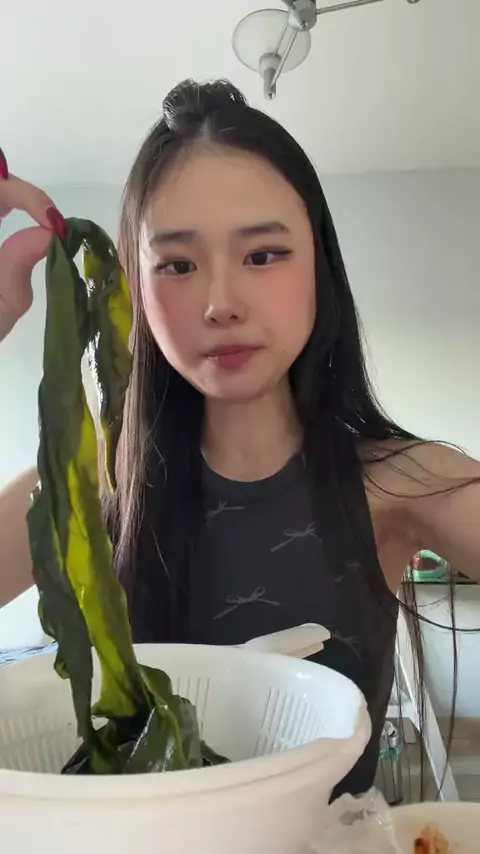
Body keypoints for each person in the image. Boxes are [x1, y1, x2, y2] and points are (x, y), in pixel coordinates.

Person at [1, 80, 479, 799]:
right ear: (136, 287)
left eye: (263, 255)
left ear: (318, 267)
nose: (221, 304)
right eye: (178, 265)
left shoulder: (402, 482)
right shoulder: (82, 483)